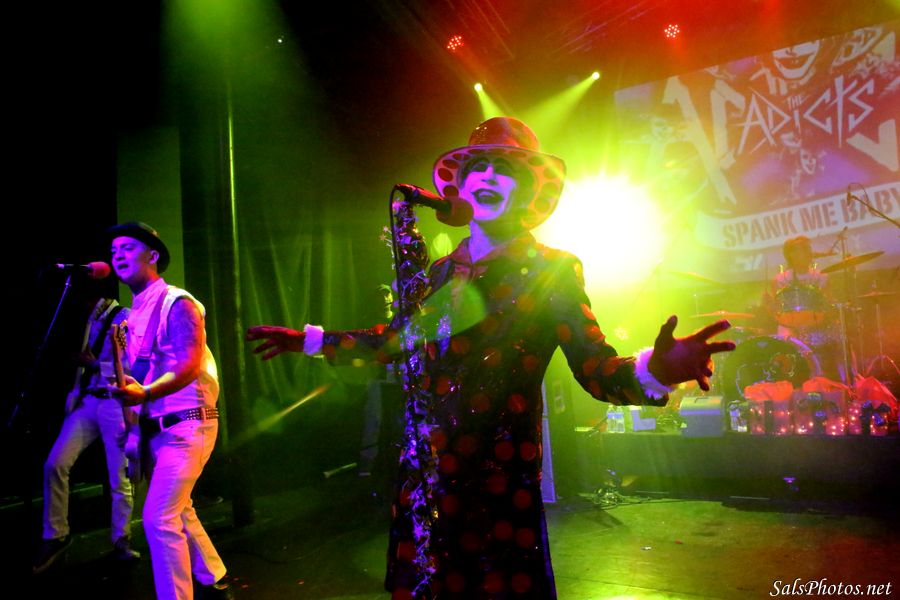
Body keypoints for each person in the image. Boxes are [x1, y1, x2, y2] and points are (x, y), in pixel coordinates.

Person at [246, 117, 734, 599]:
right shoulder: (439, 273)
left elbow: (596, 369)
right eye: (478, 168)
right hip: (425, 474)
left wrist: (658, 368)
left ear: (529, 193)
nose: (489, 178)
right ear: (460, 186)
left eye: (506, 171)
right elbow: (393, 342)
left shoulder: (551, 270)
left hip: (497, 482)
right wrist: (310, 340)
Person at [106, 221, 232, 600]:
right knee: (180, 508)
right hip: (158, 429)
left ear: (153, 255)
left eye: (128, 247)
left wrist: (144, 392)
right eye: (114, 251)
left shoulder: (177, 302)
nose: (118, 255)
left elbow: (188, 364)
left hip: (190, 425)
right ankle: (212, 572)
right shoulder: (131, 315)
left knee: (158, 518)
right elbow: (138, 377)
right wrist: (132, 424)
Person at [32, 296, 140, 575]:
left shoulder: (123, 317)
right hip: (89, 400)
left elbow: (132, 366)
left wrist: (94, 365)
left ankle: (122, 539)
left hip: (113, 403)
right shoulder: (88, 321)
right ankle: (56, 534)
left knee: (119, 475)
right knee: (55, 463)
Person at [764, 235, 843, 381]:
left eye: (807, 249)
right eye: (800, 249)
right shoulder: (780, 279)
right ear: (790, 255)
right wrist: (768, 305)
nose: (806, 253)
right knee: (785, 346)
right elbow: (776, 311)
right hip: (789, 326)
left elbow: (829, 305)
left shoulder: (821, 277)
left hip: (817, 326)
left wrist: (833, 310)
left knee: (836, 338)